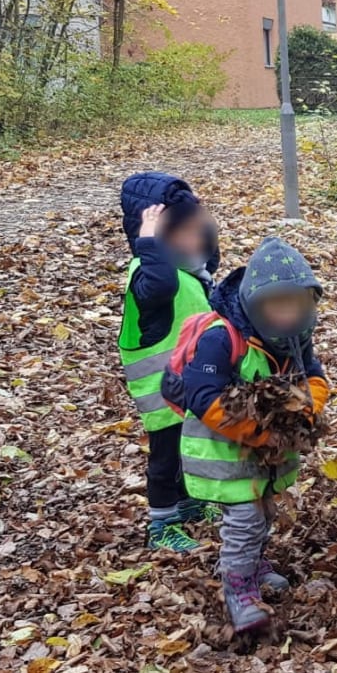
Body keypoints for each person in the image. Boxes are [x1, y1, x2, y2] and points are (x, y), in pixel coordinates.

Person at [162, 238, 329, 635]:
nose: (288, 314)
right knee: (245, 519)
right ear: (256, 303)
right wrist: (258, 431)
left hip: (268, 453)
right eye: (278, 305)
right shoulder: (222, 337)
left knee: (265, 511)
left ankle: (252, 565)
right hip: (225, 452)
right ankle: (238, 590)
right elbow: (203, 397)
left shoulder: (295, 335)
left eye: (297, 304)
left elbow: (315, 375)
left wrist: (306, 407)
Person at [117, 173, 218, 552]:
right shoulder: (149, 276)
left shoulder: (189, 271)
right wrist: (147, 239)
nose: (198, 241)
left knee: (186, 451)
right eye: (187, 234)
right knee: (165, 458)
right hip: (160, 393)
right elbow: (161, 286)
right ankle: (161, 523)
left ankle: (189, 504)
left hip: (187, 385)